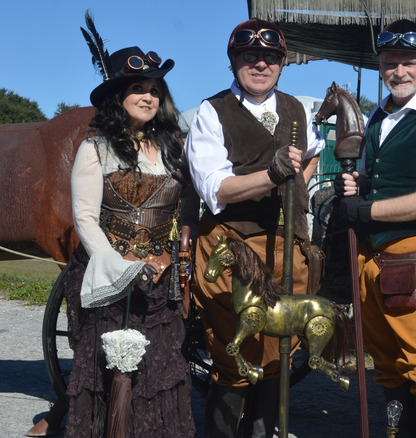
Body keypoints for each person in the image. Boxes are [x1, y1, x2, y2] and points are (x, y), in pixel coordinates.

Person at [185, 18, 325, 438]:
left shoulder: (297, 108)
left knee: (279, 350)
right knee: (236, 357)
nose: (260, 64)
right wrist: (274, 175)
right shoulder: (212, 112)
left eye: (270, 57)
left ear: (282, 64)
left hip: (288, 249)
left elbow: (312, 153)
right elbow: (216, 187)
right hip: (233, 249)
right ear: (234, 62)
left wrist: (296, 184)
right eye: (249, 56)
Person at [336, 19, 416, 438]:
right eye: (391, 63)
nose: (399, 72)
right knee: (388, 364)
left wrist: (367, 211)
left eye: (408, 63)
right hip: (371, 259)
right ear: (381, 67)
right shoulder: (376, 116)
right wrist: (355, 190)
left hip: (412, 257)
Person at [64, 42, 196, 437]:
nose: (149, 97)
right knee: (111, 373)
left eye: (156, 90)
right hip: (110, 277)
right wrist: (116, 265)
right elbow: (85, 218)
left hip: (160, 279)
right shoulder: (95, 149)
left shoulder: (174, 150)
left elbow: (190, 204)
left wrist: (177, 254)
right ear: (118, 97)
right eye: (139, 88)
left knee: (159, 373)